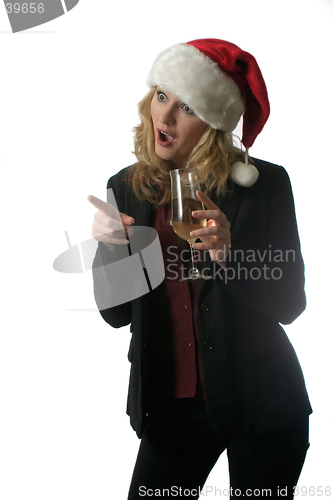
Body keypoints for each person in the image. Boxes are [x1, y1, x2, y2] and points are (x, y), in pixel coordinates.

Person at [88, 39, 312, 499]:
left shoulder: (264, 184)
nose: (164, 117)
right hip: (170, 406)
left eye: (186, 106)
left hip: (262, 401)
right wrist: (111, 250)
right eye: (162, 96)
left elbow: (291, 303)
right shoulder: (127, 187)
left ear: (212, 123)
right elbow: (117, 316)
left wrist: (230, 256)